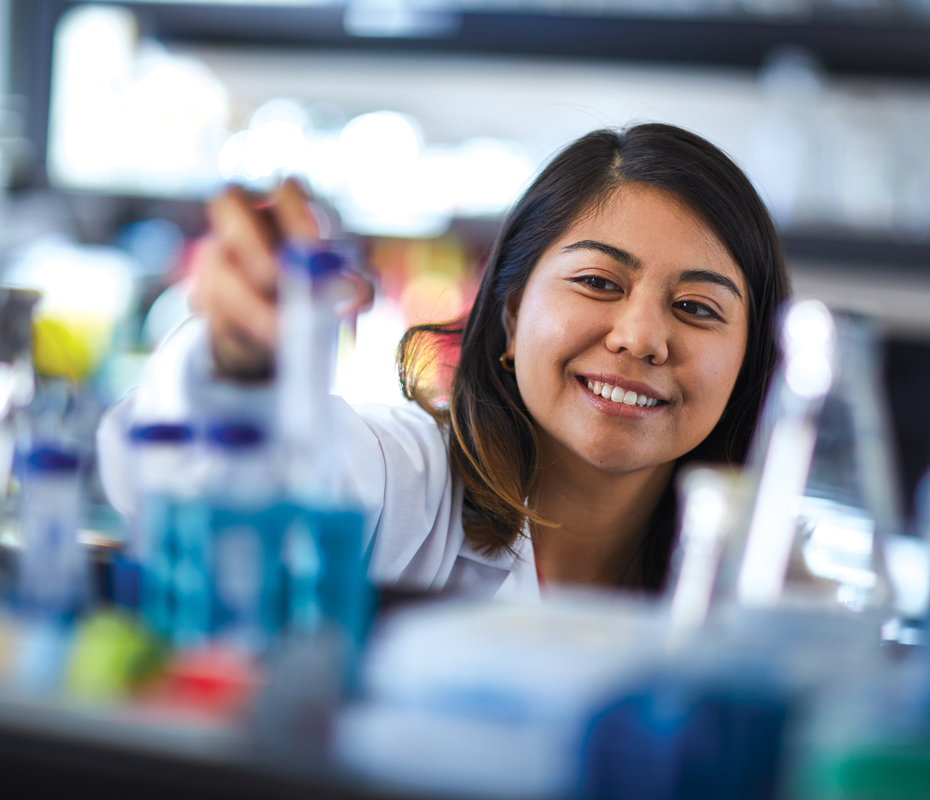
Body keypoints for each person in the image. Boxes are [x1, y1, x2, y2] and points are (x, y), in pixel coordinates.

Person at [97, 122, 789, 600]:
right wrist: (238, 362)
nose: (641, 338)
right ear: (512, 316)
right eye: (599, 283)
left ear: (750, 361)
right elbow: (198, 486)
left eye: (698, 308)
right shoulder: (412, 486)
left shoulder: (762, 590)